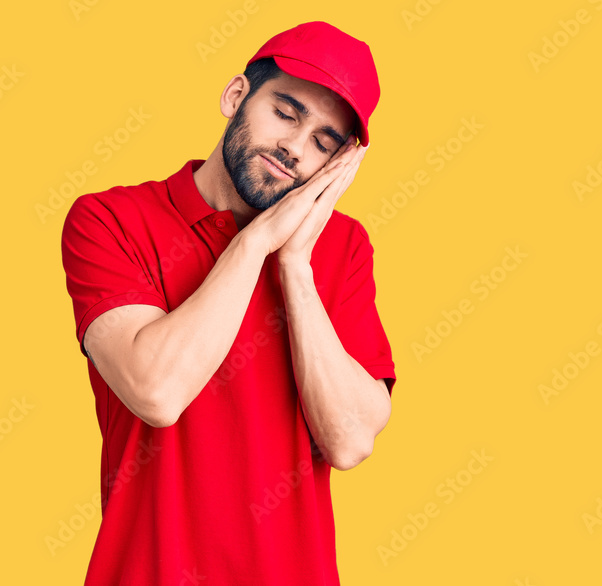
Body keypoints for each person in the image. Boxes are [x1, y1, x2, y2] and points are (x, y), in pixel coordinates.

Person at [60, 21, 396, 585]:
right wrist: (256, 242)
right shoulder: (109, 221)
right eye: (286, 114)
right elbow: (156, 391)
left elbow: (349, 439)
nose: (293, 147)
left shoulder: (342, 249)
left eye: (322, 142)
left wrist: (293, 265)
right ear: (236, 96)